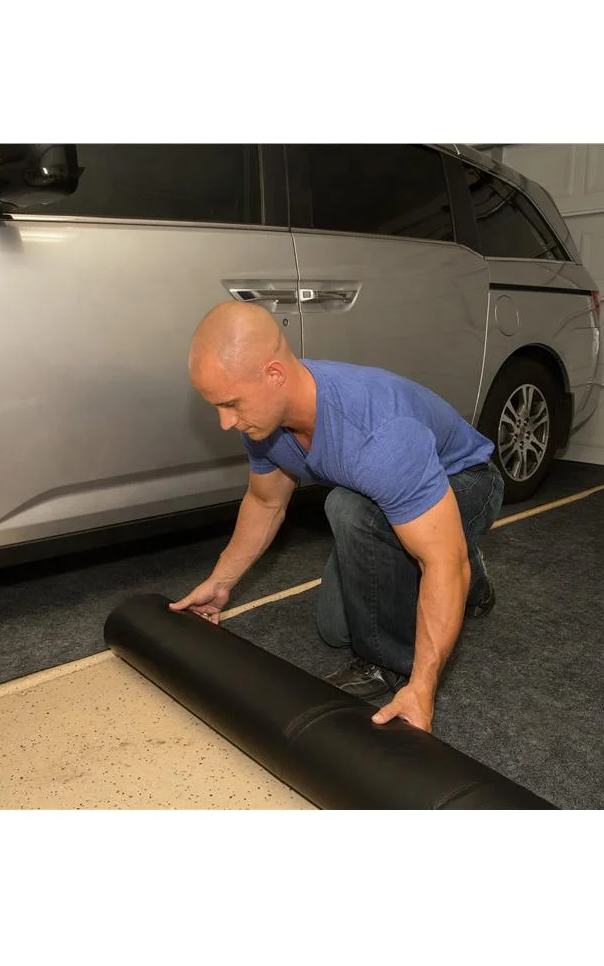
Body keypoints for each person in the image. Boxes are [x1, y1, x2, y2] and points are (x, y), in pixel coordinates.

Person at [170, 301, 504, 732]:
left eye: (231, 403)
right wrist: (220, 583)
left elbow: (440, 562)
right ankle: (470, 570)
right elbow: (266, 502)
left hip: (468, 481)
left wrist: (423, 685)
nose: (224, 422)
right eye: (216, 405)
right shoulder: (264, 419)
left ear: (274, 374)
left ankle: (387, 663)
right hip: (386, 493)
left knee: (352, 512)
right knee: (335, 629)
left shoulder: (378, 434)